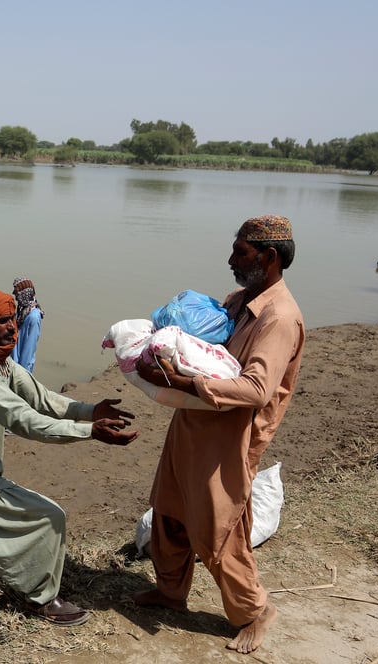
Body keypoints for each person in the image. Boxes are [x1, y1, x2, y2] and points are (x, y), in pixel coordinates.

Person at [130, 215, 304, 655]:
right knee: (168, 511)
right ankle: (171, 593)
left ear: (268, 257)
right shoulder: (237, 300)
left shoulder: (279, 318)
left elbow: (257, 389)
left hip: (230, 437)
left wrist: (188, 384)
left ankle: (254, 612)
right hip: (192, 422)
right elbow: (203, 349)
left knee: (218, 531)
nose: (230, 259)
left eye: (240, 252)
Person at [0, 287, 137, 627]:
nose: (12, 327)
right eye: (2, 321)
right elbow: (22, 419)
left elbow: (41, 399)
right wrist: (89, 431)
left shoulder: (2, 363)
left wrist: (89, 411)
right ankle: (40, 599)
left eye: (12, 318)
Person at [10, 277, 44, 373]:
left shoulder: (33, 317)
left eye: (17, 293)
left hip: (21, 367)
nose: (15, 296)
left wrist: (22, 372)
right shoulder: (21, 312)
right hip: (14, 362)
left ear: (24, 294)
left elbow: (29, 347)